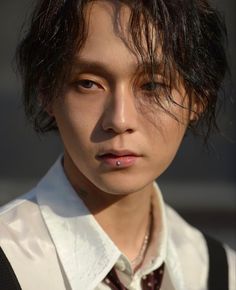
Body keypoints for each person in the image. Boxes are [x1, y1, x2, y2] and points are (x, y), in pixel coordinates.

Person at [0, 0, 235, 289]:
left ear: (198, 99)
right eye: (88, 83)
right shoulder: (12, 257)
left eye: (152, 86)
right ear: (47, 92)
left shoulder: (217, 271)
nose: (120, 119)